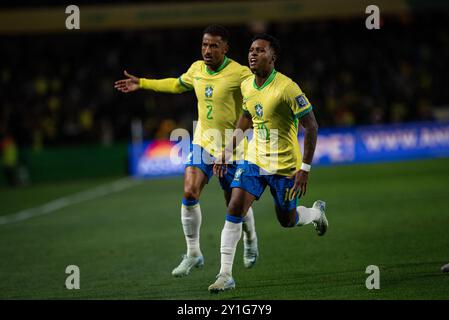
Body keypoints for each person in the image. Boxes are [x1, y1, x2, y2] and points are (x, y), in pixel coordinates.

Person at [114, 25, 259, 277]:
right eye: (204, 45)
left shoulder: (241, 74)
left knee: (235, 206)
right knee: (189, 191)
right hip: (203, 142)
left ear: (226, 48)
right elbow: (176, 85)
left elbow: (257, 103)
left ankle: (250, 239)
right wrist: (143, 83)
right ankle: (193, 253)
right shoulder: (196, 69)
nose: (207, 50)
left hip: (232, 150)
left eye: (214, 45)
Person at [208, 34, 328, 293]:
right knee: (235, 206)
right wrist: (227, 151)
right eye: (251, 50)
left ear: (273, 57)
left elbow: (312, 126)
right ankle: (225, 274)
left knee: (287, 219)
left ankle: (317, 213)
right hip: (253, 160)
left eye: (260, 50)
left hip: (284, 167)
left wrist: (304, 169)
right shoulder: (247, 86)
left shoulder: (288, 88)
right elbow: (246, 119)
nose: (253, 54)